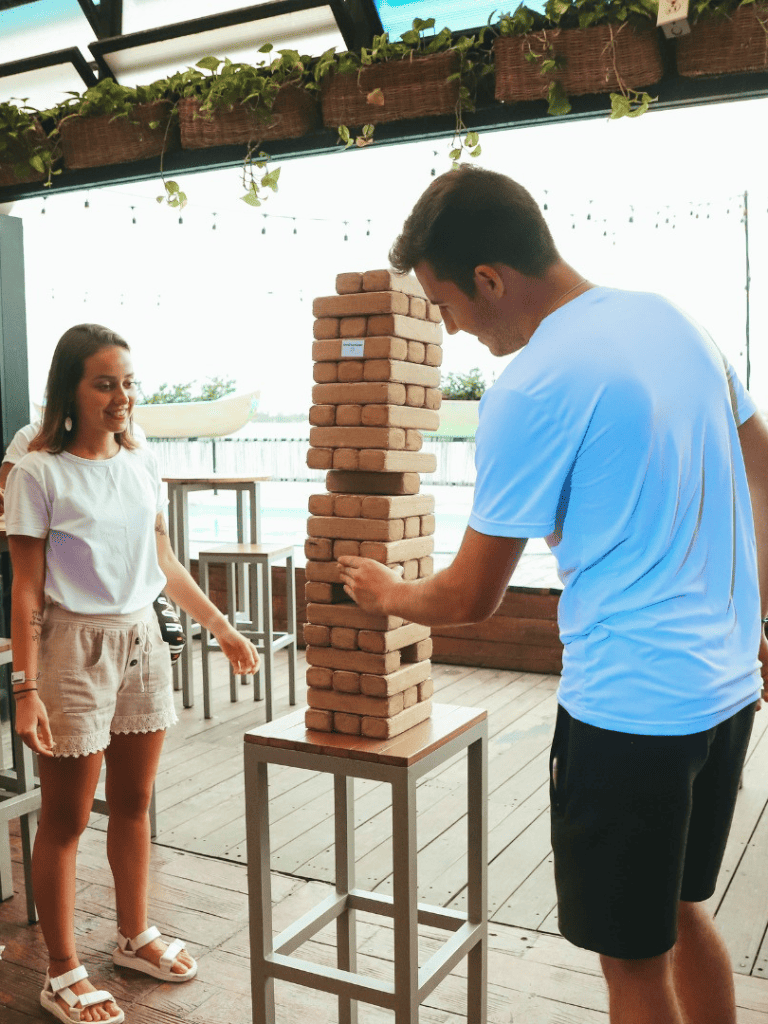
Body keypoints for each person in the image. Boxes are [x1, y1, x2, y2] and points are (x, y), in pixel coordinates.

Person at [337, 165, 768, 1024]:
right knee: (684, 914)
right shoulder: (676, 322)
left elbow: (470, 596)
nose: (453, 329)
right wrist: (754, 611)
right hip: (725, 692)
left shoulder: (532, 388)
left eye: (447, 305)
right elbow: (762, 468)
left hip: (630, 712)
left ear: (489, 280)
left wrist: (386, 593)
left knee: (633, 965)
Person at [4, 324, 260, 1024]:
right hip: (72, 647)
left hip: (143, 640)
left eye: (128, 383)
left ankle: (133, 935)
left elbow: (163, 562)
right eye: (104, 384)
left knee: (135, 802)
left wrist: (222, 626)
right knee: (65, 819)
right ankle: (61, 971)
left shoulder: (142, 460)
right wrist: (25, 689)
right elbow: (25, 589)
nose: (121, 397)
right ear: (70, 390)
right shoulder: (38, 471)